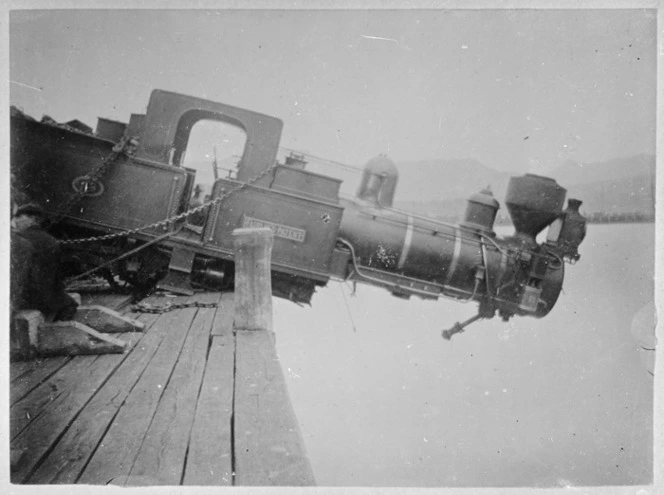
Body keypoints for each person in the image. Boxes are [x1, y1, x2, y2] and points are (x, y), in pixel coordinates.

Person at [11, 203, 78, 321]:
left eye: (19, 217)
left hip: (27, 298)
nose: (15, 221)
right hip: (48, 295)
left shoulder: (19, 240)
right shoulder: (50, 240)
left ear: (31, 220)